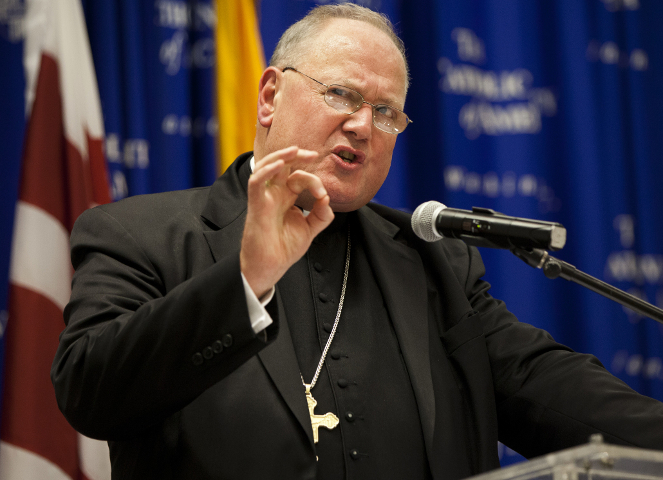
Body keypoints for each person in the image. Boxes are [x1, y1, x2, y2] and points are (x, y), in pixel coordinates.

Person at [52, 4, 663, 480]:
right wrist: (244, 282)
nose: (363, 126)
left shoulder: (435, 264)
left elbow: (547, 387)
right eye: (342, 94)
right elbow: (89, 389)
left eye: (387, 112)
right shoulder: (141, 233)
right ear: (270, 96)